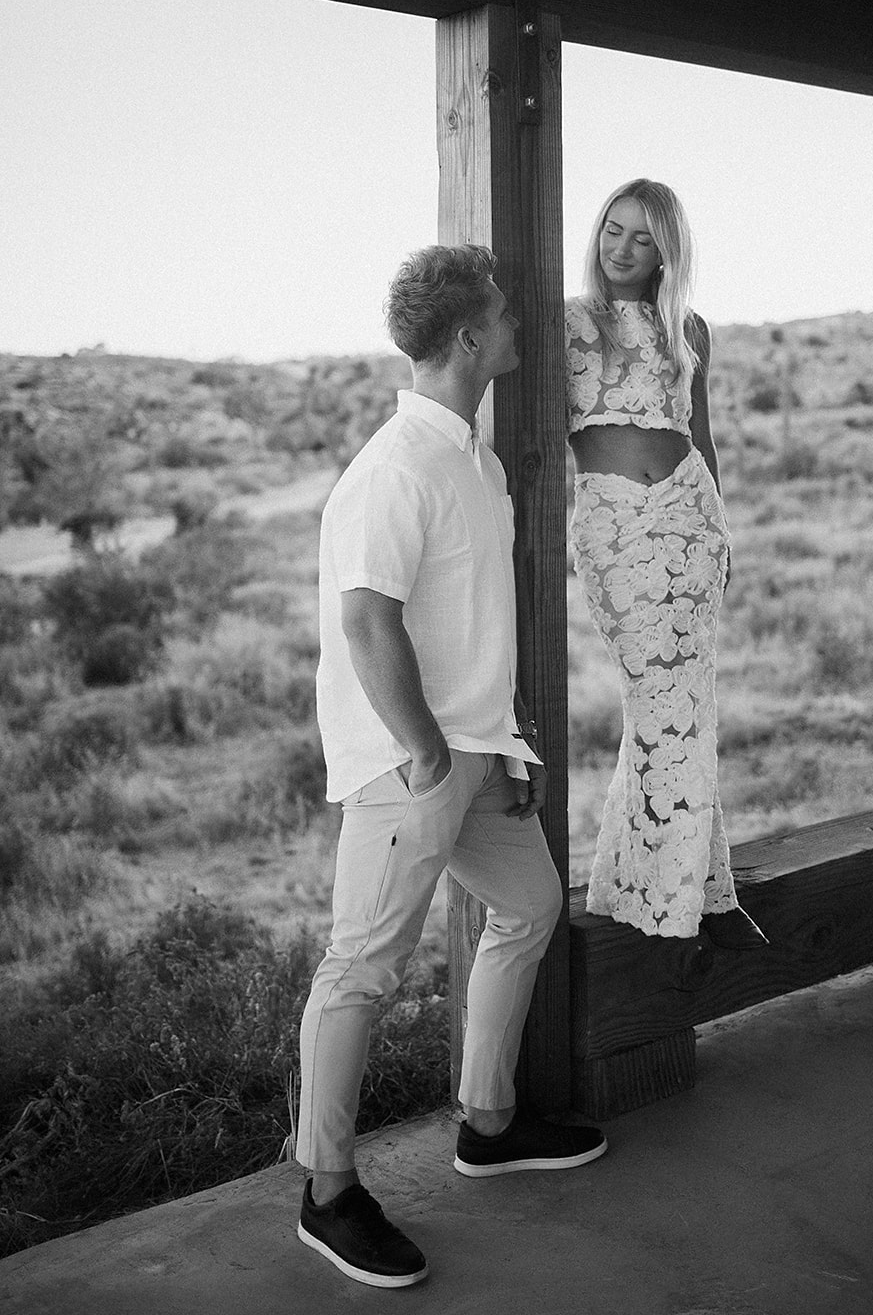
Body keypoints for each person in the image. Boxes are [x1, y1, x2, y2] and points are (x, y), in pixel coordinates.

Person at [296, 244, 606, 1290]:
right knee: (363, 969)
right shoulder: (391, 469)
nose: (520, 328)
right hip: (412, 767)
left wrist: (506, 738)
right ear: (469, 337)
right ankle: (327, 1189)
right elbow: (365, 624)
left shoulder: (469, 456)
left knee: (528, 904)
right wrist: (427, 749)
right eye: (507, 316)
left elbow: (470, 620)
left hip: (478, 756)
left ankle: (485, 1122)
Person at [565, 180, 767, 950]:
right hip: (614, 524)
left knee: (689, 703)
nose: (621, 249)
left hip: (689, 518)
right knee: (656, 700)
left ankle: (671, 884)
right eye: (613, 230)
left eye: (641, 238)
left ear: (665, 251)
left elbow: (700, 436)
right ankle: (663, 889)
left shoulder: (688, 329)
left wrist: (722, 532)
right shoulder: (568, 323)